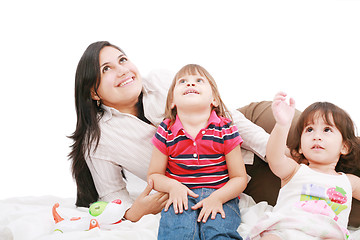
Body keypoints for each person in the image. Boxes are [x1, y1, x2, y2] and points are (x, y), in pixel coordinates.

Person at [69, 41, 269, 222]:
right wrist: (135, 212)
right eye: (106, 69)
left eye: (122, 59)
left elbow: (227, 116)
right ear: (93, 92)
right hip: (228, 183)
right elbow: (114, 197)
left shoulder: (159, 80)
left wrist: (273, 151)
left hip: (250, 128)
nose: (122, 70)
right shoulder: (98, 140)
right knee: (293, 189)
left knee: (295, 131)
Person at [148, 64, 247, 239]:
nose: (190, 84)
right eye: (183, 81)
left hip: (220, 196)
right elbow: (154, 175)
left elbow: (239, 178)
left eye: (199, 81)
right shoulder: (166, 130)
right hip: (180, 196)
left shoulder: (225, 128)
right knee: (177, 233)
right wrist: (173, 186)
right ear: (172, 101)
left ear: (214, 99)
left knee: (220, 233)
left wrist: (218, 198)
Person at [248, 92, 360, 240]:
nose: (317, 136)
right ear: (300, 147)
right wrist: (282, 125)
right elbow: (274, 157)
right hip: (285, 230)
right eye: (309, 130)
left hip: (328, 234)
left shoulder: (349, 181)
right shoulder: (294, 170)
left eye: (327, 130)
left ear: (344, 147)